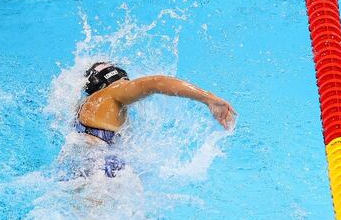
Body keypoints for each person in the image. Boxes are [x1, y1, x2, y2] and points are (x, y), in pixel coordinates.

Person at [75, 62, 237, 177]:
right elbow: (156, 83)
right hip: (103, 171)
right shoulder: (114, 91)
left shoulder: (85, 109)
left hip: (83, 170)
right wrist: (209, 99)